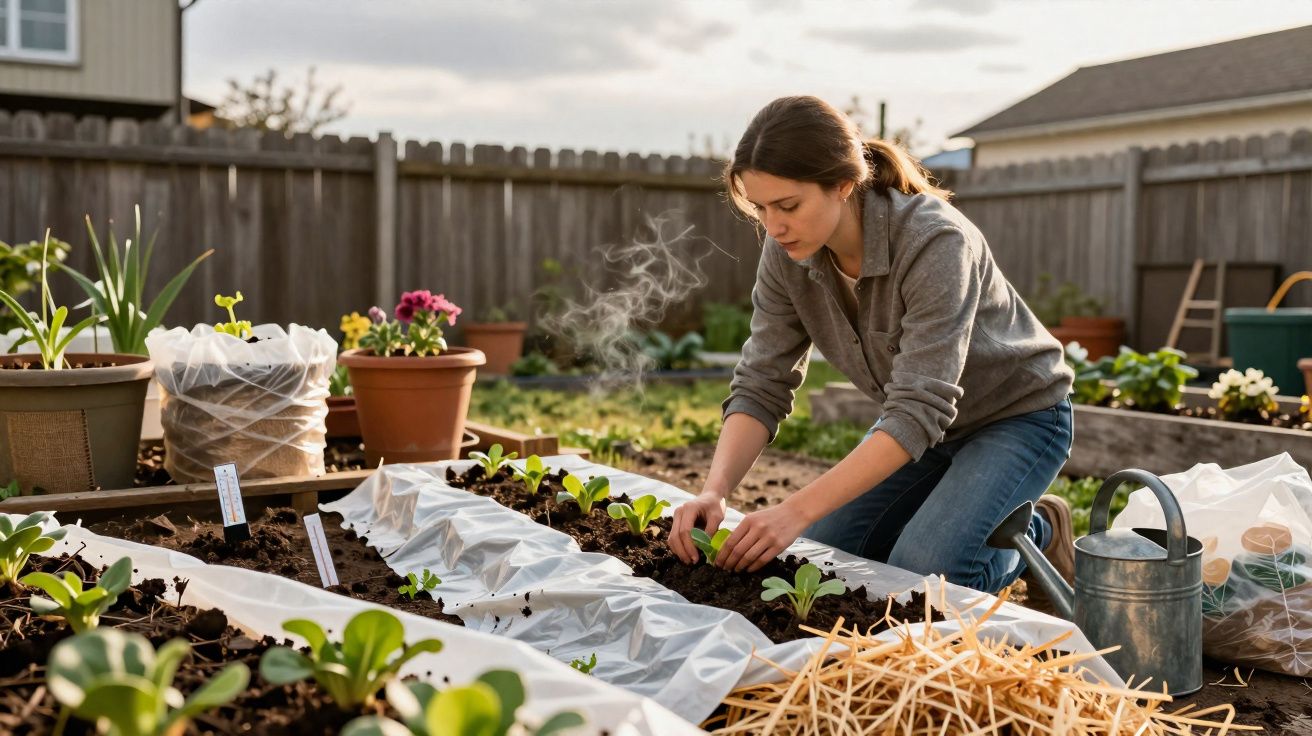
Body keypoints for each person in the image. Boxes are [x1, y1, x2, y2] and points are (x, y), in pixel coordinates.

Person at [667, 95, 1076, 594]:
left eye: (788, 206)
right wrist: (715, 492)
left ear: (843, 184)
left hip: (1016, 418)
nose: (773, 227)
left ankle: (1037, 535)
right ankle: (967, 523)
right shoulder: (786, 255)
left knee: (929, 573)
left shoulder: (935, 241)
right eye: (761, 208)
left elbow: (916, 407)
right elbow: (761, 382)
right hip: (924, 432)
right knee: (832, 556)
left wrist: (792, 510)